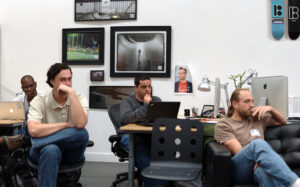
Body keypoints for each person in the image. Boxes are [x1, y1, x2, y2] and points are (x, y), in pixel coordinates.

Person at [214, 88, 300, 187]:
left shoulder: (258, 118)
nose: (251, 105)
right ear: (235, 104)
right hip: (240, 169)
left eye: (252, 101)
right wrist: (258, 160)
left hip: (258, 165)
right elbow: (238, 150)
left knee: (263, 171)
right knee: (257, 144)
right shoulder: (223, 125)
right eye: (247, 101)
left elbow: (283, 121)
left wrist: (270, 109)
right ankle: (293, 182)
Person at [27, 63, 89, 187]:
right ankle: (41, 144)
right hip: (43, 152)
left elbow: (80, 123)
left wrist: (71, 94)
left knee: (82, 134)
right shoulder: (39, 101)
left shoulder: (79, 98)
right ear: (52, 81)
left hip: (70, 153)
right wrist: (66, 125)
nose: (67, 83)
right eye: (62, 79)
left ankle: (37, 143)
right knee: (51, 149)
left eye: (69, 79)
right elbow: (33, 130)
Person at [120, 75, 169, 187]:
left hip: (151, 135)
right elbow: (126, 118)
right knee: (142, 152)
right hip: (132, 136)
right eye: (144, 87)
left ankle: (165, 182)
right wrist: (147, 106)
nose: (148, 90)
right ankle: (156, 184)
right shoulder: (127, 101)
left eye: (149, 86)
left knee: (166, 149)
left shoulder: (156, 100)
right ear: (136, 87)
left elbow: (162, 118)